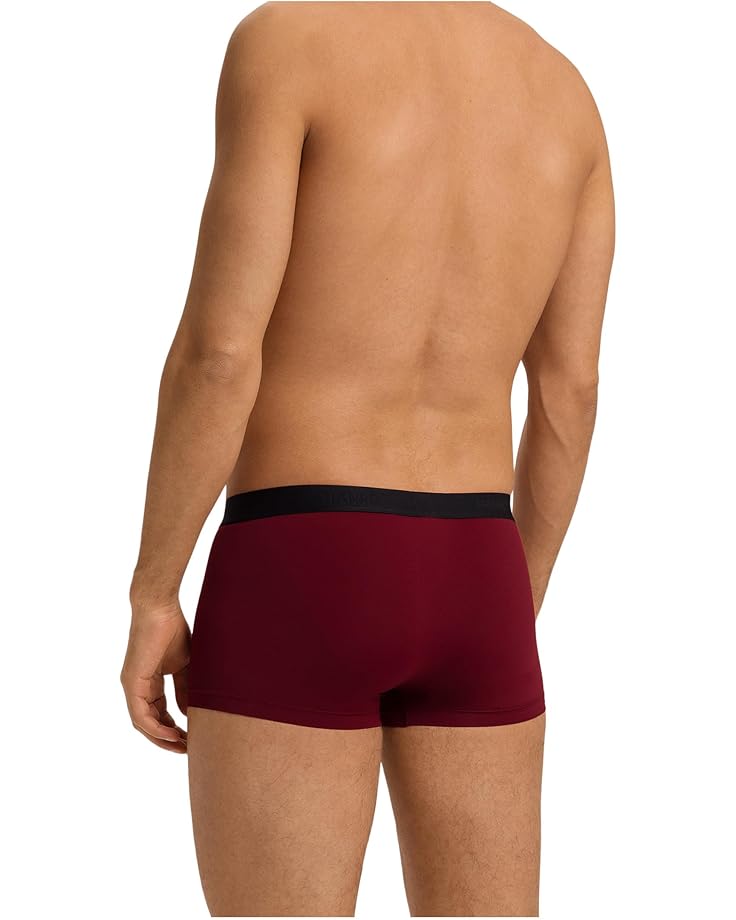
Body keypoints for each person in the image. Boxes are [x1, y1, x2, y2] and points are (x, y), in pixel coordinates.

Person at [121, 2, 614, 915]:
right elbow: (568, 391)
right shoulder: (563, 92)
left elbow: (220, 353)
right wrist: (516, 594)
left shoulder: (290, 41)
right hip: (478, 566)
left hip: (302, 555)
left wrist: (155, 590)